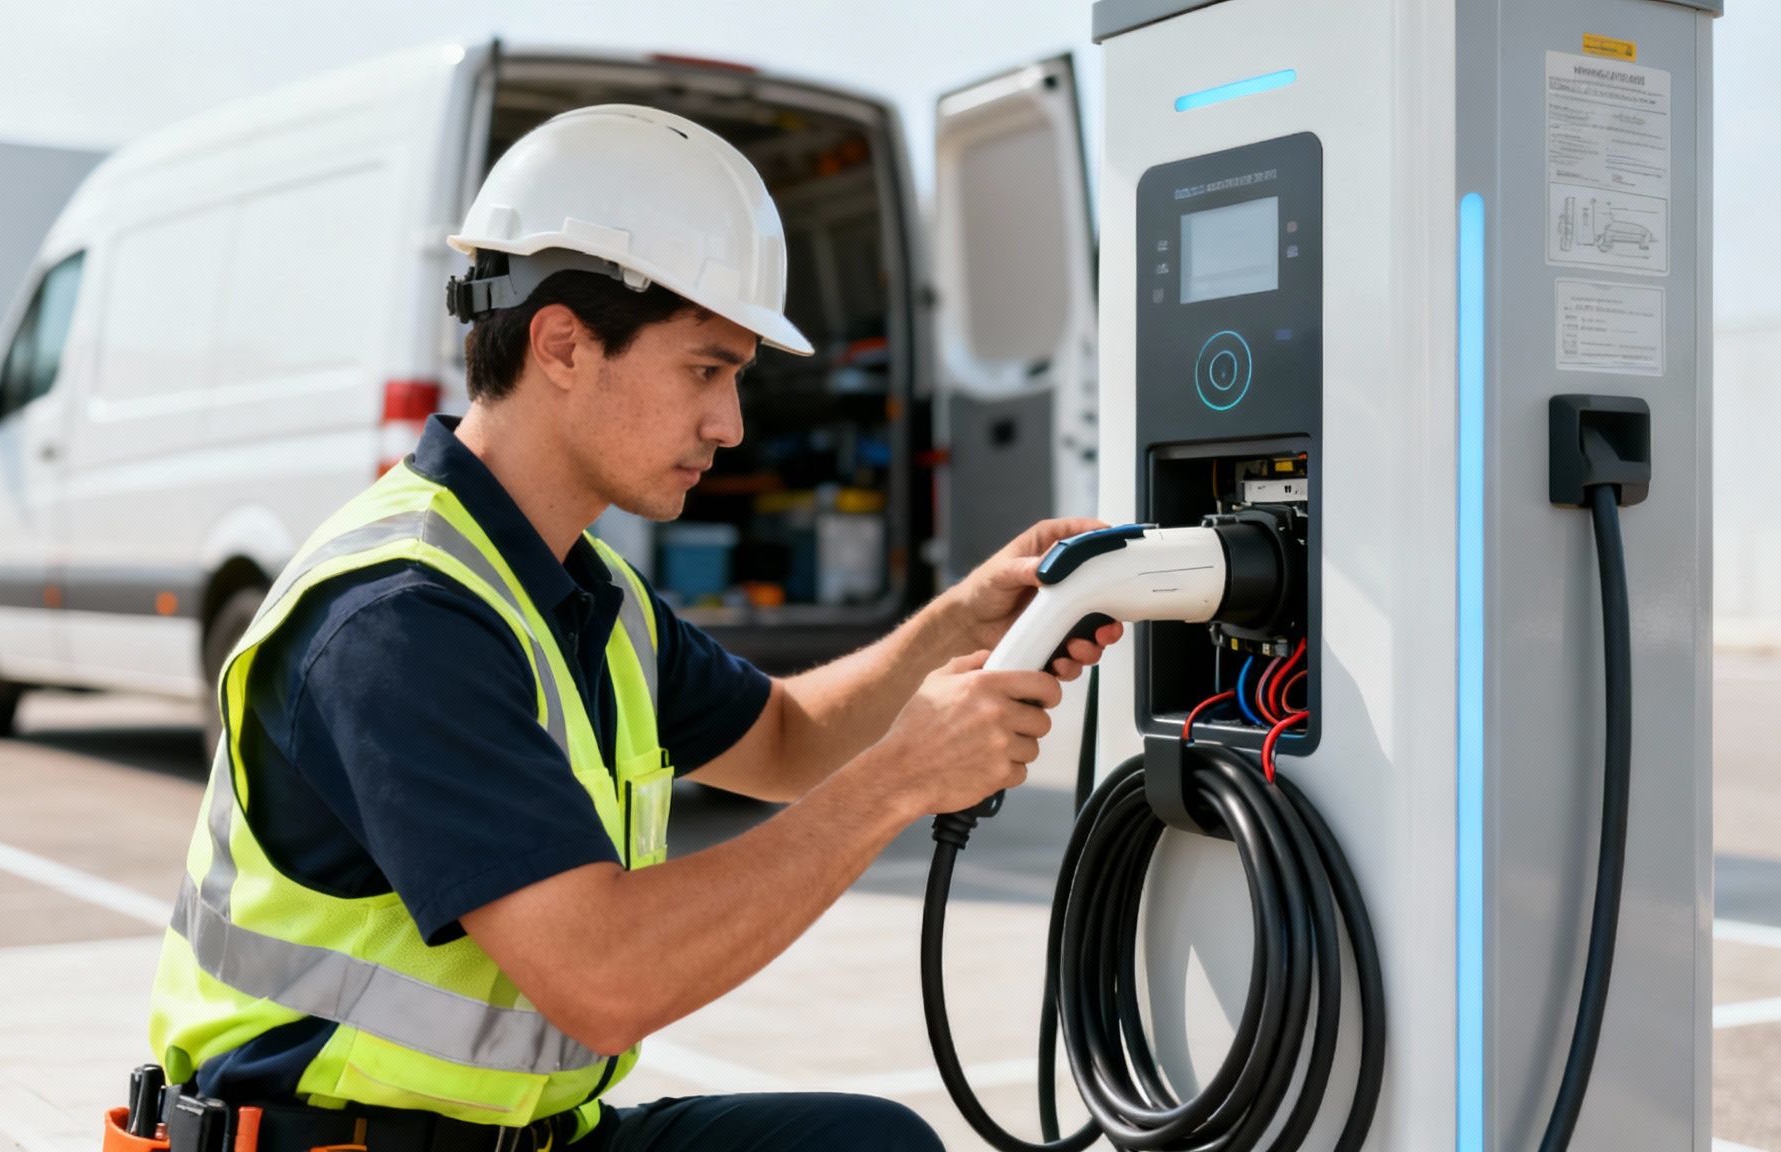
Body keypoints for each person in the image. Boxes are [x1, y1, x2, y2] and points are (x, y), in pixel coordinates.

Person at [142, 104, 1121, 1152]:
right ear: (562, 344)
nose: (729, 423)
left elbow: (786, 740)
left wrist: (959, 618)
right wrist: (899, 780)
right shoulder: (399, 622)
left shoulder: (576, 588)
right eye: (706, 369)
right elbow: (605, 980)